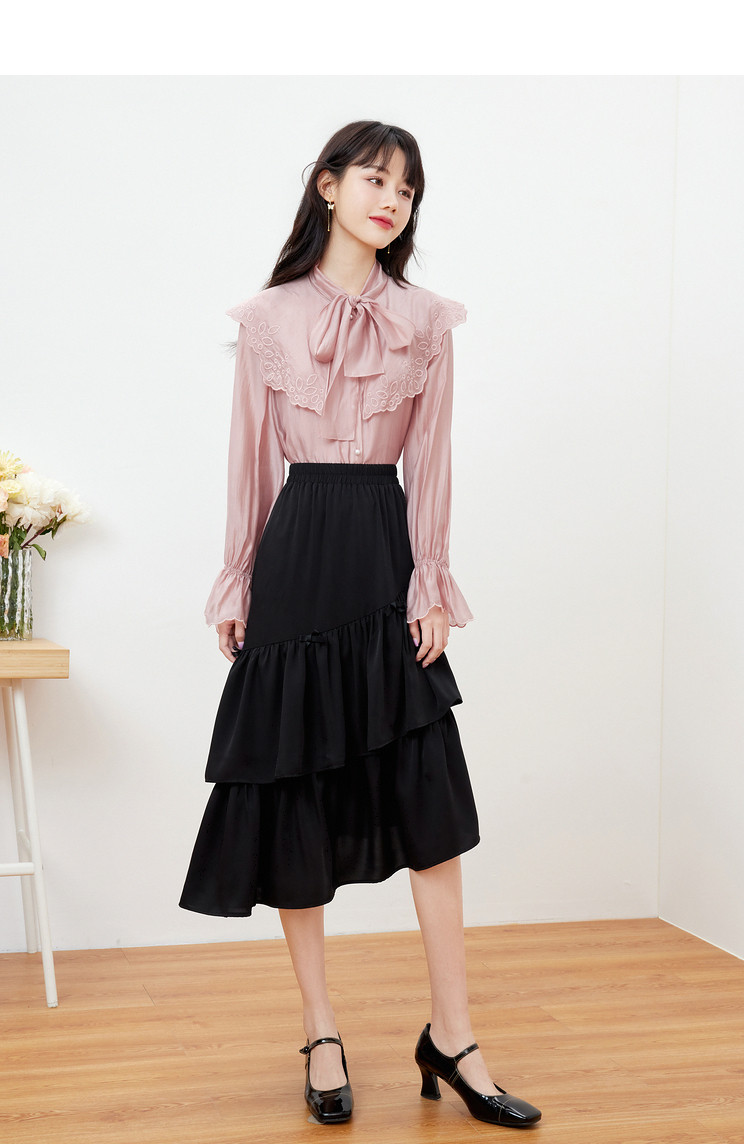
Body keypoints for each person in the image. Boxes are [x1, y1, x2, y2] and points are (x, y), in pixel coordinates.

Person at [179, 120, 541, 1130]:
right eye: (376, 179)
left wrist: (432, 581)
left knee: (431, 806)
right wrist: (237, 579)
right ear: (328, 186)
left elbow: (434, 458)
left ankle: (454, 1035)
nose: (392, 200)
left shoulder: (426, 319)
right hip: (297, 561)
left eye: (408, 189)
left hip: (385, 552)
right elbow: (250, 457)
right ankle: (321, 1028)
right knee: (294, 791)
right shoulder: (267, 317)